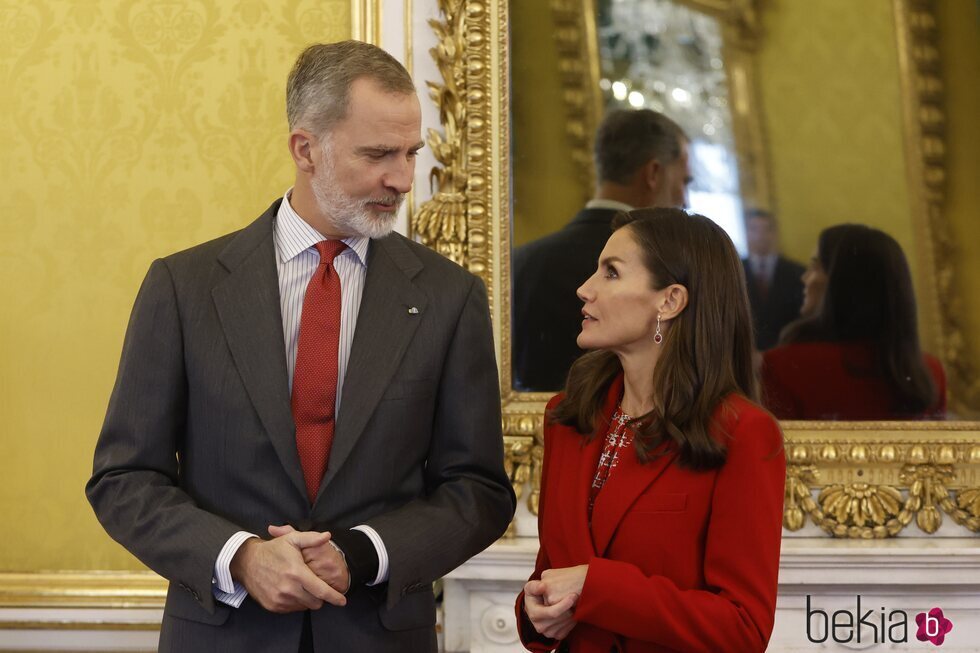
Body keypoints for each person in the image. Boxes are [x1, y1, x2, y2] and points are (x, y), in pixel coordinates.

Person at [86, 41, 515, 653]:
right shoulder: (185, 287)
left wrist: (363, 554)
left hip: (379, 635)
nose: (401, 179)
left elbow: (478, 490)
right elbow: (124, 478)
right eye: (377, 154)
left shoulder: (450, 297)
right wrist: (240, 559)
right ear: (305, 148)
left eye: (410, 153)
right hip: (224, 635)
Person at [516, 208, 786, 652]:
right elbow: (552, 571)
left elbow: (743, 629)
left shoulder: (743, 434)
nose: (585, 289)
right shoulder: (567, 416)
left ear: (670, 301)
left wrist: (596, 588)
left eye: (612, 273)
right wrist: (535, 609)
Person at [512, 109, 691, 392]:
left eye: (611, 272)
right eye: (684, 181)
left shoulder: (520, 259)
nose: (684, 198)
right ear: (654, 173)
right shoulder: (666, 263)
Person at [762, 224, 946, 420]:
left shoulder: (784, 365)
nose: (804, 277)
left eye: (815, 266)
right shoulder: (930, 372)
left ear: (841, 282)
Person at [741, 209, 806, 350]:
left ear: (775, 233)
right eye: (754, 229)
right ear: (746, 233)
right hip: (746, 353)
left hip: (787, 352)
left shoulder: (798, 272)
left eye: (767, 229)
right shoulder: (733, 271)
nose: (761, 235)